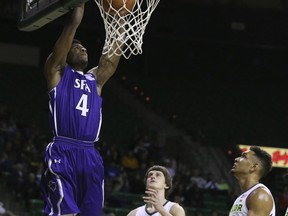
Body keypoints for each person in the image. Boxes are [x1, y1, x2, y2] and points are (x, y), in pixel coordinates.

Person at [40, 2, 123, 216]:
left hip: (90, 154)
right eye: (76, 47)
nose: (83, 48)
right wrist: (77, 10)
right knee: (64, 212)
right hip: (63, 150)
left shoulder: (94, 81)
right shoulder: (57, 72)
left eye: (84, 47)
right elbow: (69, 30)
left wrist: (121, 20)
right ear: (66, 54)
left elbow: (110, 61)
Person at [229, 146, 276, 216]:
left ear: (253, 167)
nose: (236, 159)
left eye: (244, 157)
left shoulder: (260, 195)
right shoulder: (246, 194)